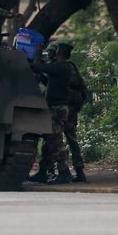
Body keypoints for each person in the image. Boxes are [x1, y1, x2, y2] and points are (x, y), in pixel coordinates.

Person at [27, 42, 74, 184]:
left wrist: (38, 51)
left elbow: (37, 66)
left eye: (55, 50)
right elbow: (48, 81)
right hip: (57, 107)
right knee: (49, 142)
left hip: (57, 108)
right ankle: (43, 171)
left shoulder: (61, 66)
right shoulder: (62, 67)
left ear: (60, 52)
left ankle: (64, 172)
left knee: (56, 141)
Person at [62, 42, 88, 183]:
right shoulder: (71, 67)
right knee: (71, 140)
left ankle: (68, 171)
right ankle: (77, 170)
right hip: (70, 108)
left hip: (67, 108)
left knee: (60, 140)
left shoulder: (66, 68)